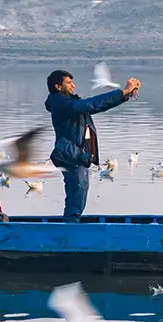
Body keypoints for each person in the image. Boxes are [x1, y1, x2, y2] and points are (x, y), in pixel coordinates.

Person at [45, 69, 141, 222]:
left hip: (77, 155)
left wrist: (125, 95)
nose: (73, 86)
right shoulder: (61, 103)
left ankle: (69, 229)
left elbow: (97, 106)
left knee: (79, 194)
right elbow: (90, 104)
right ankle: (68, 234)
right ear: (58, 86)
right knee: (76, 196)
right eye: (69, 83)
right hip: (72, 156)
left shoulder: (68, 103)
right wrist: (123, 91)